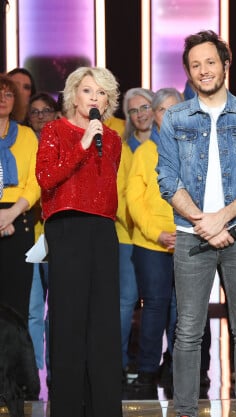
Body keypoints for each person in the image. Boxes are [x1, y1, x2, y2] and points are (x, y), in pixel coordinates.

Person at [156, 30, 236, 417]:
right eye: (195, 65)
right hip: (192, 236)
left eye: (210, 62)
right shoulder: (173, 117)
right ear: (188, 73)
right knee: (188, 331)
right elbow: (167, 179)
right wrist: (200, 221)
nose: (203, 70)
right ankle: (186, 411)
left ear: (226, 64)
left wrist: (221, 218)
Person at [35, 66, 123, 417]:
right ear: (74, 95)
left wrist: (95, 140)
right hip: (67, 228)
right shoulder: (54, 130)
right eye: (88, 91)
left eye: (102, 93)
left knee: (103, 322)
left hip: (101, 230)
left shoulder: (113, 138)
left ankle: (103, 407)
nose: (95, 98)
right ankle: (68, 407)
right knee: (68, 320)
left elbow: (107, 185)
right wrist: (83, 143)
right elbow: (46, 178)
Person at [126, 87, 178, 389]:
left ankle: (177, 366)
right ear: (154, 116)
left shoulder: (197, 147)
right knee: (156, 306)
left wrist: (186, 232)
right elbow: (134, 201)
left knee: (183, 309)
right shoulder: (145, 152)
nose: (168, 115)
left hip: (187, 239)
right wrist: (156, 233)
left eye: (174, 109)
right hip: (150, 243)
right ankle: (146, 369)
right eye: (162, 110)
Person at [117, 87, 154, 382]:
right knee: (126, 301)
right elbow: (117, 195)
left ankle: (153, 363)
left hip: (158, 236)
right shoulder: (121, 147)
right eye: (134, 110)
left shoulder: (165, 144)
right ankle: (118, 363)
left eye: (145, 107)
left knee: (159, 302)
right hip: (126, 235)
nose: (140, 114)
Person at [0, 74, 41, 322]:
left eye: (8, 94)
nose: (2, 99)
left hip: (19, 219)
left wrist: (11, 213)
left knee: (17, 306)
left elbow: (36, 182)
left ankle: (16, 361)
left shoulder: (26, 136)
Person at [26, 92, 58, 380]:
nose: (40, 117)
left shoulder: (63, 141)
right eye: (34, 112)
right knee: (34, 309)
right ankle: (34, 371)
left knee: (57, 310)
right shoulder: (24, 144)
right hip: (29, 237)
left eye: (46, 110)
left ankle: (55, 369)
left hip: (57, 234)